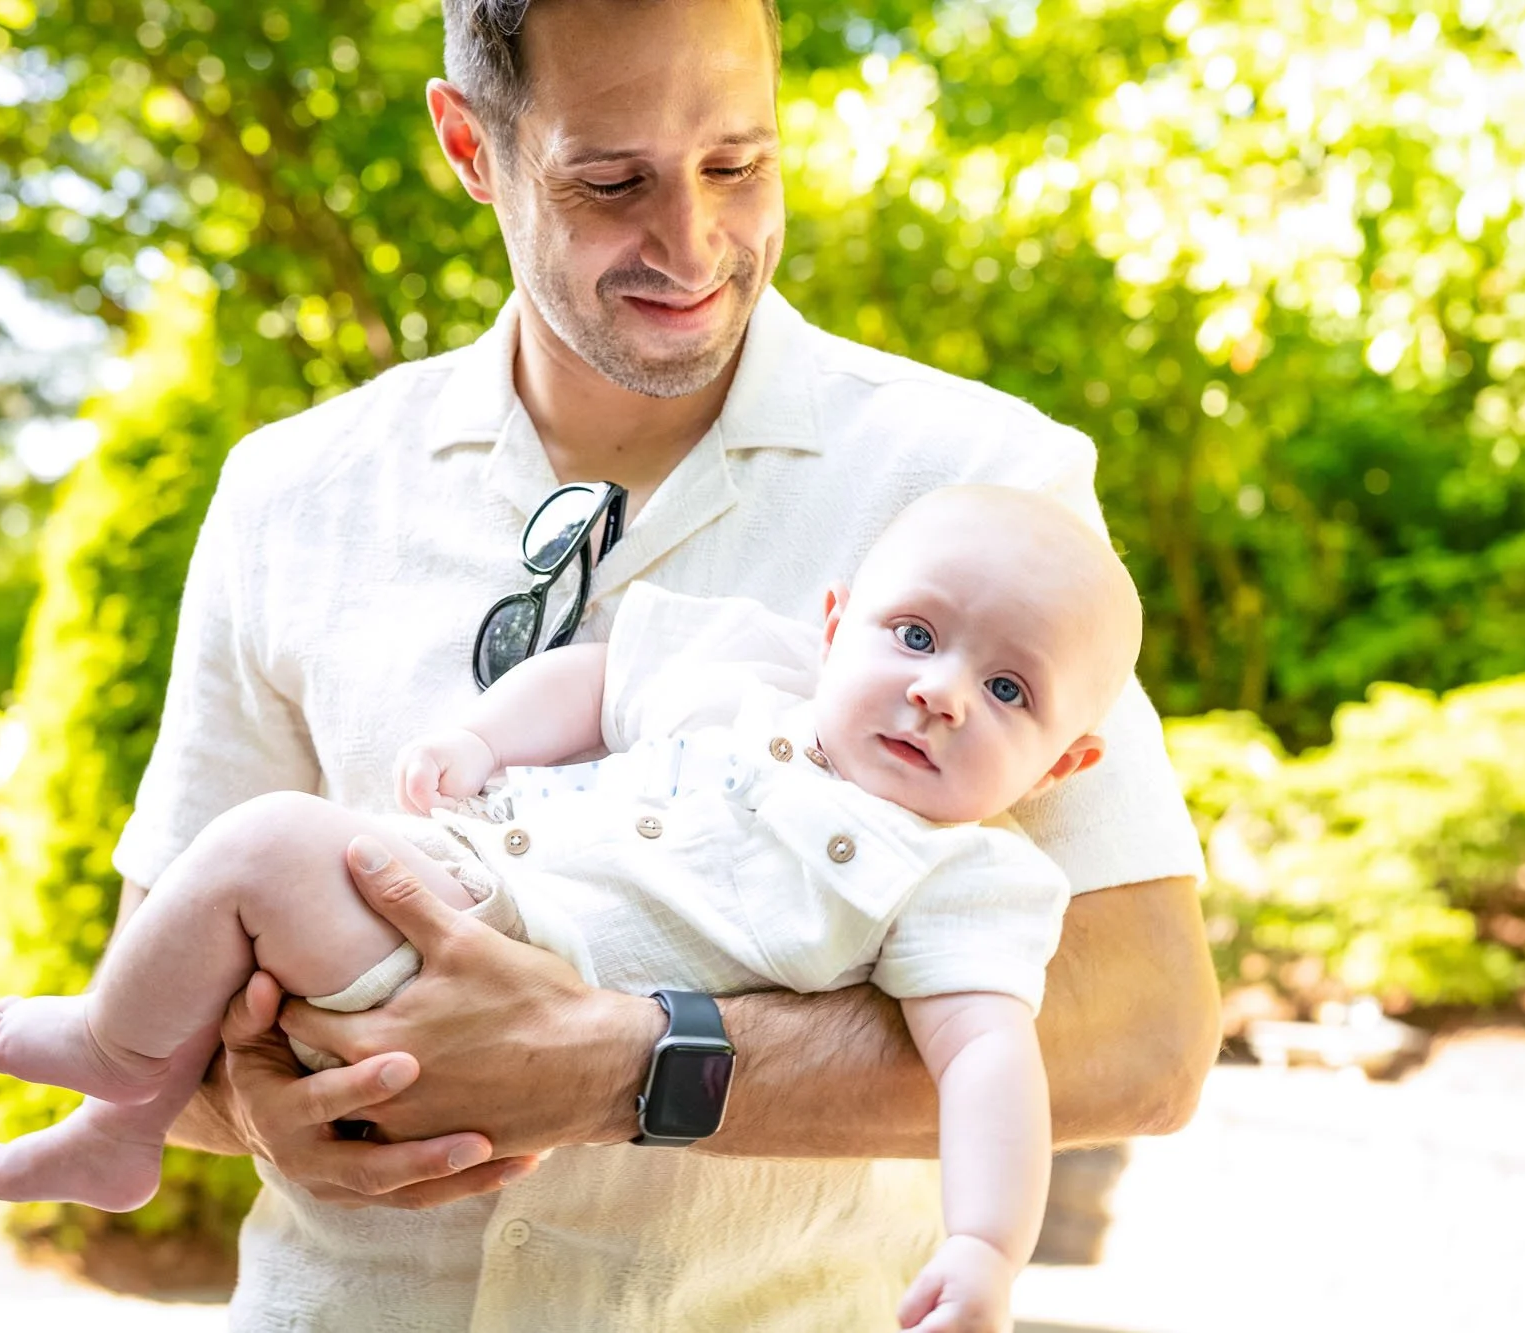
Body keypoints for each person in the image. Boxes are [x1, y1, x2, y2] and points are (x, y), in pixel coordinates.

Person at [96, 0, 1219, 1326]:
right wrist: (261, 1106)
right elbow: (169, 1006)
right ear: (472, 146)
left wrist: (627, 1065)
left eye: (738, 164)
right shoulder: (293, 491)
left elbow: (1144, 1035)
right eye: (609, 181)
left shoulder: (983, 488)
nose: (691, 243)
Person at [0, 486, 1142, 1331]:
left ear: (1062, 764)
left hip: (500, 954)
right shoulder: (751, 673)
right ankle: (125, 1124)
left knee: (265, 848)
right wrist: (479, 734)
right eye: (914, 635)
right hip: (450, 874)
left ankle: (112, 1050)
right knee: (241, 928)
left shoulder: (961, 878)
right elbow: (596, 677)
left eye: (1004, 688)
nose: (937, 693)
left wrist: (986, 1245)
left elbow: (988, 1061)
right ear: (835, 623)